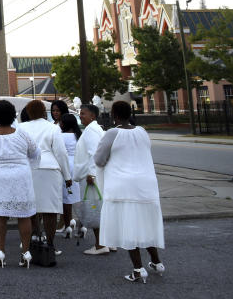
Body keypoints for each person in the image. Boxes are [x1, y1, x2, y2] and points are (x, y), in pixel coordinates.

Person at [95, 100, 165, 284]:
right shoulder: (142, 131)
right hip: (146, 184)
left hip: (123, 186)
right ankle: (157, 262)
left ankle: (138, 269)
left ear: (114, 115)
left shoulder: (112, 133)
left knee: (129, 228)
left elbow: (99, 160)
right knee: (145, 225)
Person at [0, 100, 39, 269]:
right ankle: (26, 252)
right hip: (20, 175)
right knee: (24, 215)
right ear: (13, 115)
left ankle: (1, 252)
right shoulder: (22, 133)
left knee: (0, 215)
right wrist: (28, 166)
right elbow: (35, 152)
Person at [19, 99, 71, 250]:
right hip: (50, 168)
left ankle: (33, 239)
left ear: (28, 112)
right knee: (50, 210)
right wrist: (67, 176)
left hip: (28, 169)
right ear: (44, 112)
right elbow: (61, 153)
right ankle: (50, 244)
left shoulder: (21, 127)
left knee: (31, 208)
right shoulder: (53, 128)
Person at [74, 103, 109, 254]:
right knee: (101, 208)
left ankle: (100, 245)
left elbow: (94, 153)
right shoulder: (95, 129)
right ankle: (108, 243)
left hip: (90, 176)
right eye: (80, 113)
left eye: (83, 114)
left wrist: (91, 174)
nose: (80, 116)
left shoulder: (91, 131)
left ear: (92, 116)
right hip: (95, 174)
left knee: (94, 208)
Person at [58, 113, 82, 235]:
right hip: (78, 165)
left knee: (67, 198)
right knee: (79, 195)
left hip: (66, 166)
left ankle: (68, 225)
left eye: (61, 122)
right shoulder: (79, 135)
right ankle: (82, 226)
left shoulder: (61, 136)